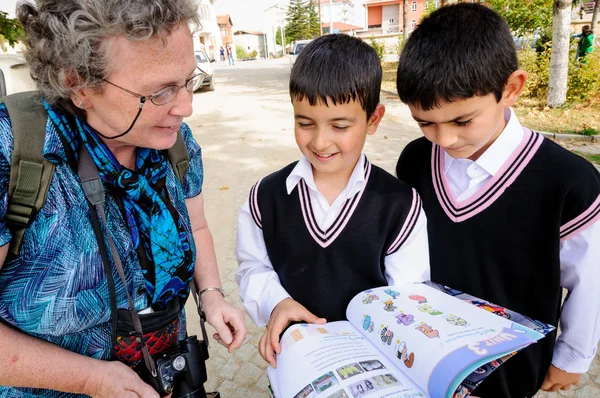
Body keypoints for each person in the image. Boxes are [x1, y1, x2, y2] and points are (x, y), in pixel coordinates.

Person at [0, 0, 247, 396]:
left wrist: (212, 296)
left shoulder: (175, 144)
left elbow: (196, 225)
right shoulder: (13, 152)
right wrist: (91, 379)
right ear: (78, 84)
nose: (186, 107)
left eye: (188, 80)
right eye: (162, 91)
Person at [395, 4, 600, 398]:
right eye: (425, 122)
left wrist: (571, 356)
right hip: (423, 356)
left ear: (510, 88)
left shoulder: (568, 182)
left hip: (510, 370)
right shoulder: (415, 160)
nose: (444, 139)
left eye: (462, 121)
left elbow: (589, 280)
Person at [235, 34, 430, 367]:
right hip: (298, 362)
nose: (320, 141)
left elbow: (408, 299)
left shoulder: (400, 205)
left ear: (373, 119)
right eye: (305, 123)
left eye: (340, 125)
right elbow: (252, 267)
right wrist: (276, 303)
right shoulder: (265, 198)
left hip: (376, 365)